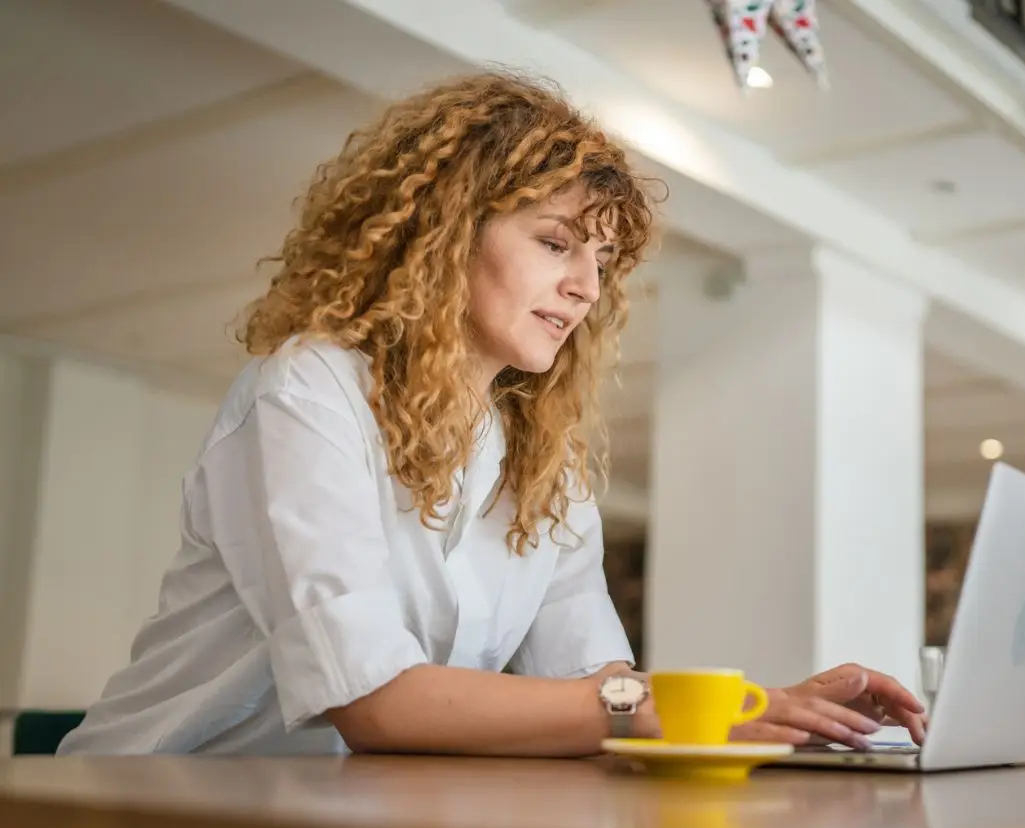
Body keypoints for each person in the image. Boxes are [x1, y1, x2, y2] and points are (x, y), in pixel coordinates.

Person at [58, 71, 927, 757]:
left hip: (344, 817)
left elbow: (595, 682)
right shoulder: (309, 389)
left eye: (602, 260)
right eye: (555, 243)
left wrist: (757, 710)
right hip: (147, 810)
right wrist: (665, 710)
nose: (586, 288)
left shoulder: (536, 451)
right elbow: (379, 703)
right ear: (443, 235)